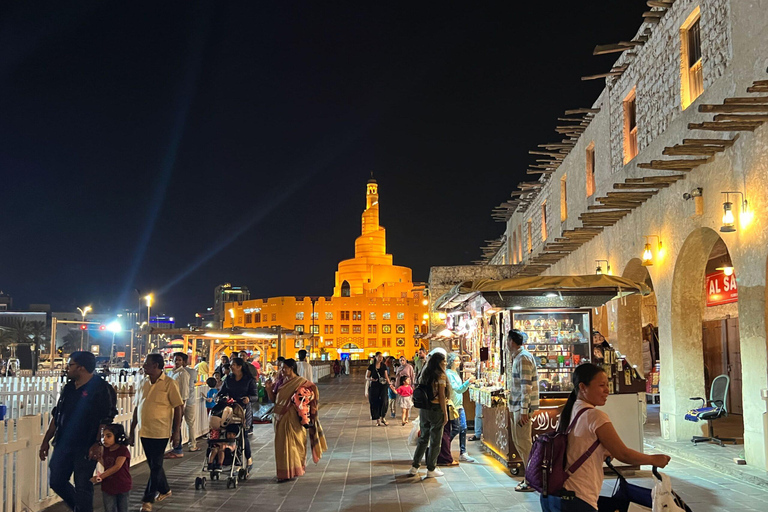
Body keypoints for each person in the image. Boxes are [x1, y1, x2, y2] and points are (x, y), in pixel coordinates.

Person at [540, 364, 671, 512]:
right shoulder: (595, 416)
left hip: (554, 496)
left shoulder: (569, 411)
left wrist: (600, 453)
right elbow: (623, 454)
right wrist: (654, 459)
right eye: (601, 385)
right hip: (578, 497)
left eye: (607, 385)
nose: (607, 390)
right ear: (582, 387)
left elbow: (575, 448)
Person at [39, 351, 118, 512]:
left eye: (70, 365)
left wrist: (98, 444)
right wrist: (46, 440)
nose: (67, 368)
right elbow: (58, 415)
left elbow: (106, 419)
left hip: (86, 445)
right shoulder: (69, 388)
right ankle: (80, 508)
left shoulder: (102, 389)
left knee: (83, 485)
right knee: (56, 480)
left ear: (81, 368)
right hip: (63, 443)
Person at [128, 354, 183, 512]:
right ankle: (165, 490)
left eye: (147, 364)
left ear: (157, 366)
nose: (144, 367)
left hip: (161, 430)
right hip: (145, 430)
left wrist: (176, 431)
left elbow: (178, 407)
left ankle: (148, 499)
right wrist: (132, 430)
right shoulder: (143, 382)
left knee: (157, 464)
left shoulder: (169, 383)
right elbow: (137, 407)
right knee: (154, 465)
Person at [265, 358, 326, 482]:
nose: (282, 370)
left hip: (292, 418)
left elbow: (310, 394)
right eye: (281, 368)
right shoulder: (280, 382)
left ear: (291, 368)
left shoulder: (300, 382)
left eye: (284, 368)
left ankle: (295, 469)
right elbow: (274, 399)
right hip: (279, 418)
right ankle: (284, 471)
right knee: (282, 446)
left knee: (294, 444)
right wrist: (268, 389)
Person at [505, 329, 539, 492]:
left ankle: (532, 479)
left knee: (525, 444)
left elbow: (527, 387)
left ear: (511, 341)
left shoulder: (523, 358)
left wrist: (524, 411)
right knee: (519, 442)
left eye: (507, 340)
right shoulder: (518, 357)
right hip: (517, 405)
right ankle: (529, 477)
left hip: (521, 407)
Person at [408, 351, 448, 478]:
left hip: (424, 409)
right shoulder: (440, 376)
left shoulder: (425, 374)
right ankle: (431, 468)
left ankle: (415, 466)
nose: (445, 363)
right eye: (444, 362)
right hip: (436, 408)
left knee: (423, 437)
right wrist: (445, 414)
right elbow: (441, 396)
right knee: (436, 439)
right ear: (439, 363)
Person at [219, 357, 257, 467]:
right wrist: (219, 398)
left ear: (240, 367)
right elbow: (222, 392)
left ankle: (248, 458)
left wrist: (248, 399)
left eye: (233, 365)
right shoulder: (228, 379)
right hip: (230, 410)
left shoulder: (249, 380)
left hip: (244, 410)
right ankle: (230, 455)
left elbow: (255, 396)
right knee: (229, 432)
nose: (230, 367)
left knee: (243, 435)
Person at [92, 423, 131, 512]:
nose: (104, 439)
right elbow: (107, 464)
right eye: (103, 436)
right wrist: (98, 458)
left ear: (117, 437)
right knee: (109, 509)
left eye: (108, 436)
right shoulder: (105, 449)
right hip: (108, 485)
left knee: (123, 509)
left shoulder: (122, 450)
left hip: (122, 484)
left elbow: (117, 466)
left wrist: (100, 477)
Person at [446, 352, 476, 463]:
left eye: (459, 360)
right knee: (456, 428)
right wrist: (468, 382)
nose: (458, 363)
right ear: (451, 362)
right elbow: (457, 389)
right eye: (456, 361)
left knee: (463, 428)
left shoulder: (455, 372)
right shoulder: (449, 374)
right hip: (453, 405)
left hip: (459, 404)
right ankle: (444, 446)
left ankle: (463, 452)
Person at [167, 352, 191, 458]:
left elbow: (184, 392)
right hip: (169, 402)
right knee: (172, 425)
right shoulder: (171, 372)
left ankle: (178, 449)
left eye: (179, 360)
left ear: (184, 362)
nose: (176, 362)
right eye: (175, 359)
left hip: (178, 402)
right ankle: (174, 447)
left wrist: (182, 406)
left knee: (177, 425)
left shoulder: (183, 374)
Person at [365, 352, 392, 426]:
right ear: (376, 357)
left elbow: (386, 376)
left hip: (383, 386)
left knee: (384, 401)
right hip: (374, 386)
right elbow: (366, 376)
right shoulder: (371, 366)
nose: (381, 358)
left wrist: (390, 384)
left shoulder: (384, 366)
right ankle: (377, 420)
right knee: (374, 402)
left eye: (382, 357)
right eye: (379, 356)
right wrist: (371, 379)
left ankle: (383, 417)